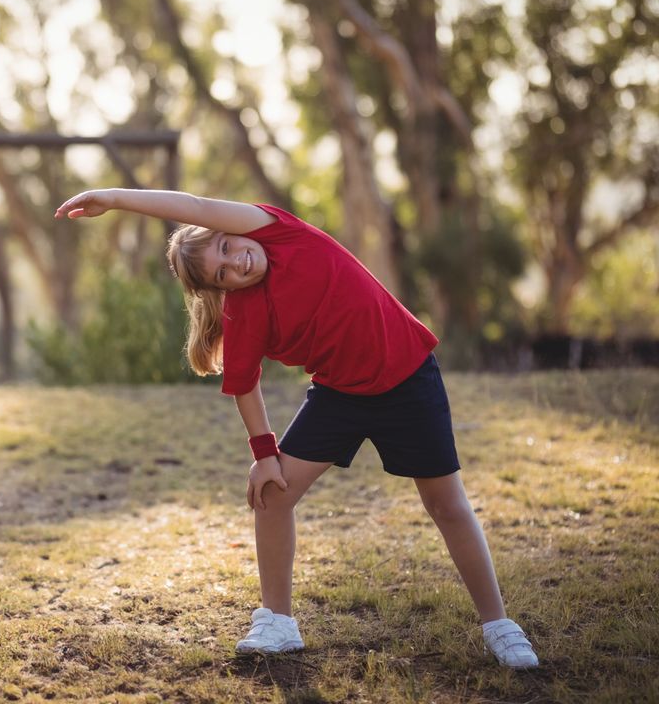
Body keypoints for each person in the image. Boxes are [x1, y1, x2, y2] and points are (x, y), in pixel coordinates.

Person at [54, 188, 539, 668]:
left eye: (227, 248)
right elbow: (245, 385)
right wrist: (264, 454)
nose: (236, 264)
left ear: (233, 230)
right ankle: (278, 622)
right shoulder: (243, 311)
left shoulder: (281, 233)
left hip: (408, 377)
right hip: (340, 397)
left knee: (445, 504)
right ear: (222, 288)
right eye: (222, 273)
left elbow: (196, 208)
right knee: (272, 493)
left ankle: (499, 625)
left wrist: (115, 199)